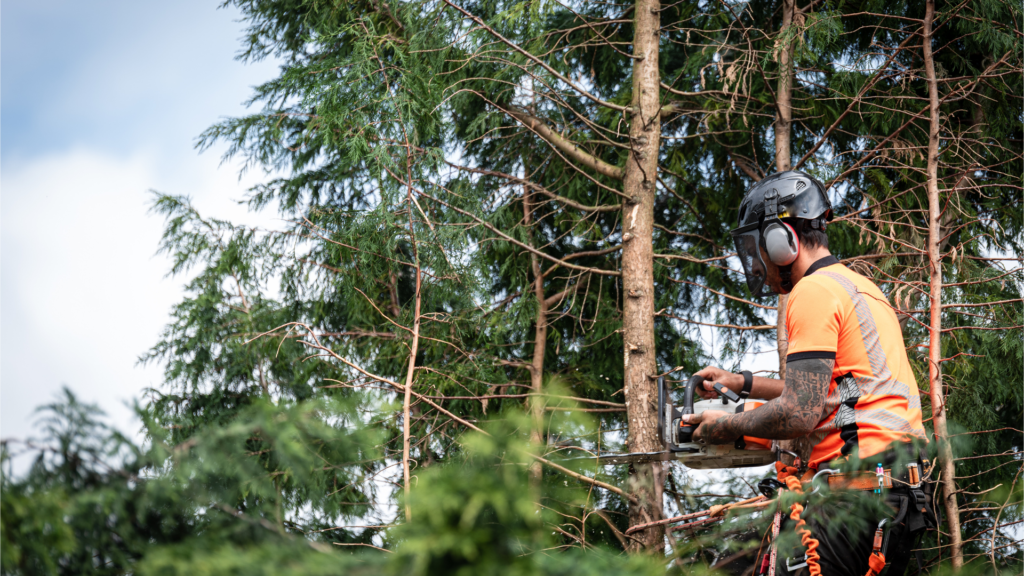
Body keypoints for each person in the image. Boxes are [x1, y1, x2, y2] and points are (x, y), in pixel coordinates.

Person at [682, 170, 933, 576]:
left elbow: (799, 411)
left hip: (856, 494)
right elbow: (831, 391)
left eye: (757, 246)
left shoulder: (813, 291)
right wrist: (742, 383)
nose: (758, 260)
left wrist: (721, 427)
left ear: (781, 241)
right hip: (896, 496)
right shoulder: (859, 287)